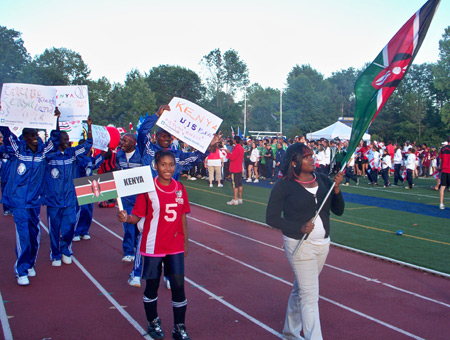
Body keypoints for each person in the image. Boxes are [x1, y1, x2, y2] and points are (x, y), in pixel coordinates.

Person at [266, 143, 344, 340]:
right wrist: (298, 228)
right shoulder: (284, 186)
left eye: (312, 155)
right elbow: (271, 218)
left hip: (323, 245)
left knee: (301, 288)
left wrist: (337, 190)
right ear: (295, 162)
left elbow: (339, 210)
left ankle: (290, 332)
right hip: (299, 245)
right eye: (307, 156)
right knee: (310, 297)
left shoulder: (324, 180)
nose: (312, 159)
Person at [117, 150, 191, 340]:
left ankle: (179, 327)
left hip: (174, 246)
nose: (168, 168)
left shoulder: (180, 188)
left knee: (178, 287)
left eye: (171, 164)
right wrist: (126, 218)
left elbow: (182, 215)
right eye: (164, 164)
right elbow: (136, 217)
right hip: (152, 246)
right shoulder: (148, 189)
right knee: (151, 287)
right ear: (155, 166)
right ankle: (153, 322)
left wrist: (185, 242)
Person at [0, 107, 61, 286]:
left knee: (35, 233)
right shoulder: (16, 151)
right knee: (23, 234)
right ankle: (21, 270)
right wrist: (3, 113)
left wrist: (56, 119)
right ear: (25, 137)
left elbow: (55, 140)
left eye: (36, 134)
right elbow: (6, 132)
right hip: (18, 201)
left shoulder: (43, 152)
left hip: (35, 201)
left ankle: (30, 262)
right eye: (31, 135)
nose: (35, 137)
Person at [45, 117, 93, 267]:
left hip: (70, 199)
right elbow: (53, 137)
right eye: (64, 139)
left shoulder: (72, 153)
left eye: (68, 139)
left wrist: (89, 127)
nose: (67, 141)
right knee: (54, 229)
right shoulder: (49, 156)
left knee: (70, 225)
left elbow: (87, 145)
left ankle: (66, 250)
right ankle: (55, 254)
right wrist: (56, 119)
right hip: (54, 200)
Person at [226, 135, 244, 205]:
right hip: (239, 168)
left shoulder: (236, 148)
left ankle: (235, 199)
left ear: (235, 140)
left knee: (235, 184)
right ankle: (240, 198)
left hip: (234, 168)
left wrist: (228, 153)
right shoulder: (241, 148)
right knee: (239, 184)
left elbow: (232, 157)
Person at [438, 137, 450, 209]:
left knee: (442, 187)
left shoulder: (442, 149)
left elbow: (440, 160)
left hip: (444, 170)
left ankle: (441, 204)